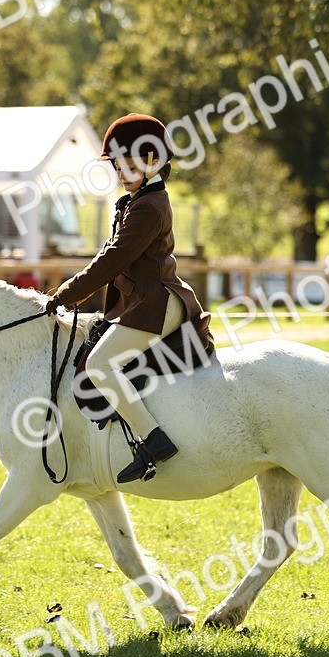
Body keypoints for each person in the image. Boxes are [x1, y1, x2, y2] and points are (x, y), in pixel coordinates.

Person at [45, 113, 206, 484]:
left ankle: (153, 441)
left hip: (155, 305)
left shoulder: (149, 207)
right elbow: (107, 257)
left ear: (154, 162)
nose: (121, 172)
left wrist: (67, 294)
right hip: (142, 303)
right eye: (118, 166)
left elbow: (113, 259)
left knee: (100, 365)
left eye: (129, 165)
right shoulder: (135, 202)